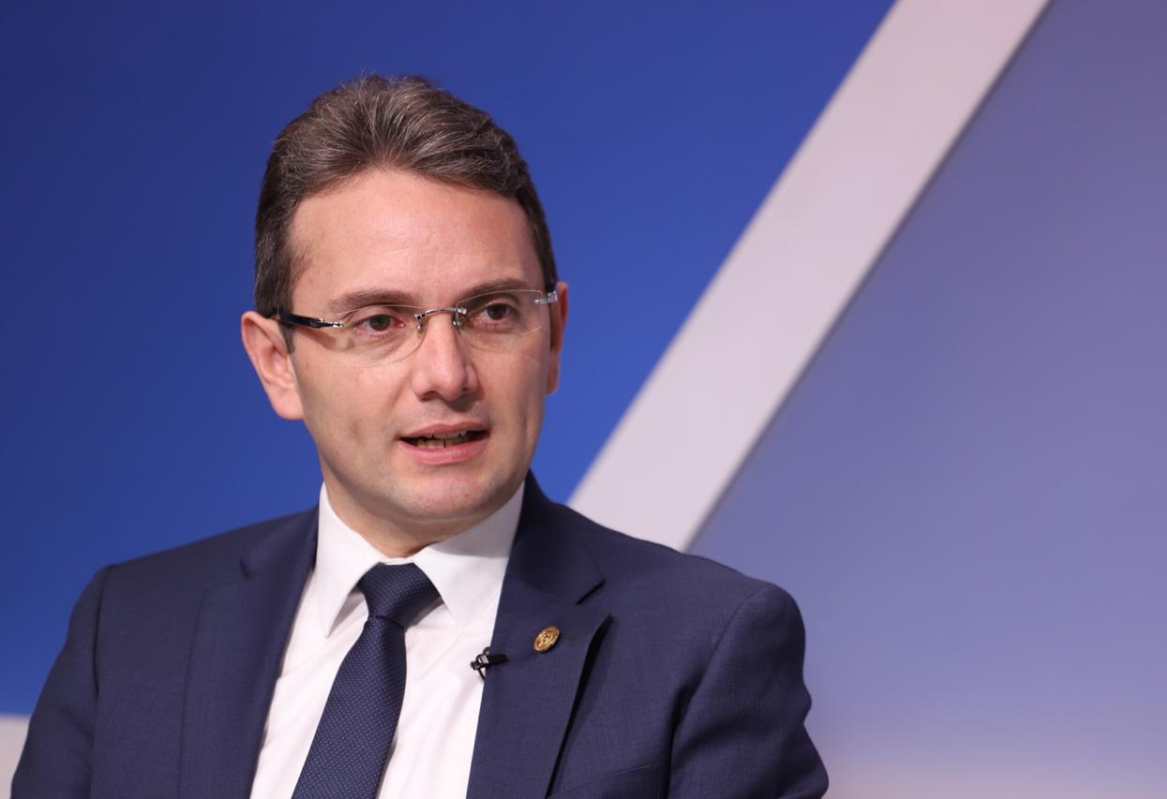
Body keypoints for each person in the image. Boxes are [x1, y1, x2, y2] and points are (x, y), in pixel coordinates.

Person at [14, 75, 828, 798]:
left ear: (553, 337)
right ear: (278, 363)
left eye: (493, 311)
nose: (447, 373)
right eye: (380, 321)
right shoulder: (130, 631)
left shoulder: (704, 647)